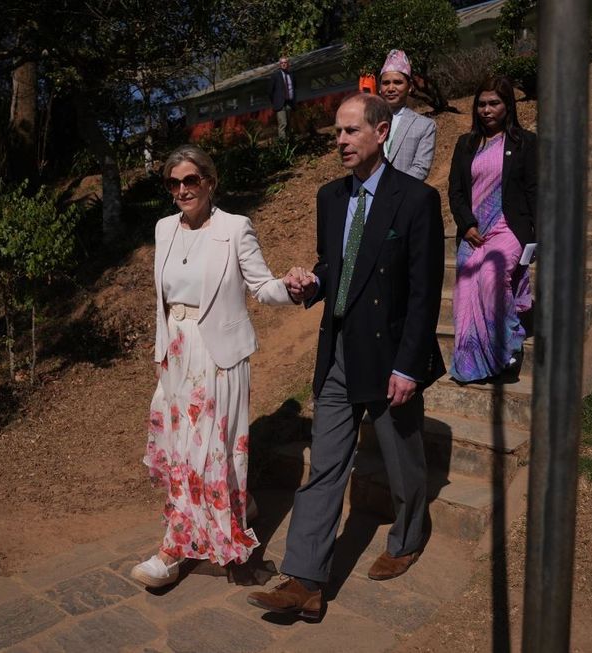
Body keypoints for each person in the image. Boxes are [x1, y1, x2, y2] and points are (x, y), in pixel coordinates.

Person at [247, 93, 445, 620]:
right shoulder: (330, 198)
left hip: (390, 357)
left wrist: (408, 366)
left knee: (402, 463)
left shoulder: (416, 200)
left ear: (382, 133)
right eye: (337, 132)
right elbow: (336, 268)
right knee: (326, 466)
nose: (340, 141)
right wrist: (309, 284)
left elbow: (424, 293)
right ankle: (306, 579)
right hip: (337, 353)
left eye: (351, 131)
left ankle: (406, 536)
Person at [131, 145, 300, 589]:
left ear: (209, 181)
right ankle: (237, 503)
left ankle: (172, 549)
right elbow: (161, 303)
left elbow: (262, 287)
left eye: (191, 180)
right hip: (177, 352)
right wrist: (161, 353)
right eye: (174, 183)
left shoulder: (235, 228)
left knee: (206, 448)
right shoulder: (164, 229)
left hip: (218, 356)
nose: (183, 189)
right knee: (180, 446)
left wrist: (294, 288)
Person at [447, 76, 536, 385]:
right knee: (468, 286)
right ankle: (475, 360)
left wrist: (539, 238)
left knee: (491, 276)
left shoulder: (525, 143)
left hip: (509, 226)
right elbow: (455, 191)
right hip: (475, 231)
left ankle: (510, 347)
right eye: (481, 104)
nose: (487, 110)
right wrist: (467, 224)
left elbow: (535, 191)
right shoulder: (466, 144)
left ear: (507, 105)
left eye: (494, 103)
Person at [378, 49, 436, 181]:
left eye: (397, 82)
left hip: (404, 196)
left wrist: (391, 189)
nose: (391, 88)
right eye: (386, 83)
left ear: (409, 87)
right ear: (379, 88)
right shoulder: (368, 122)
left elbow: (420, 168)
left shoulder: (424, 126)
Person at [269, 56, 297, 140]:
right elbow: (270, 91)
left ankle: (291, 144)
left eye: (285, 62)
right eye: (282, 63)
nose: (284, 64)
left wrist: (294, 101)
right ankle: (283, 146)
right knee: (283, 124)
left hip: (289, 103)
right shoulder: (275, 75)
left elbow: (294, 88)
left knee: (290, 124)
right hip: (280, 104)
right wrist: (275, 103)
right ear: (279, 65)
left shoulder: (291, 75)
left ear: (288, 64)